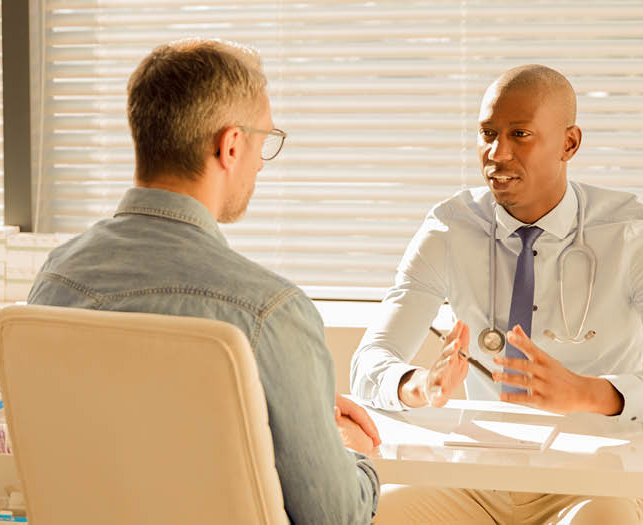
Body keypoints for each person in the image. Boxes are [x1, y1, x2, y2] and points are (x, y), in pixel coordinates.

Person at [350, 64, 643, 524]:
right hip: (475, 481)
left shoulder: (633, 232)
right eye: (487, 133)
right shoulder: (449, 227)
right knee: (376, 514)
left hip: (592, 478)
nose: (496, 153)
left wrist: (590, 393)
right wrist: (417, 385)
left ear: (569, 143)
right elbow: (369, 363)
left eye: (519, 134)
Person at [28, 38, 381, 523]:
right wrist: (346, 448)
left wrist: (290, 404)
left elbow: (130, 433)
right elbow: (334, 516)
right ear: (231, 144)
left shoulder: (54, 281)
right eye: (263, 143)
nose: (260, 163)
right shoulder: (270, 313)